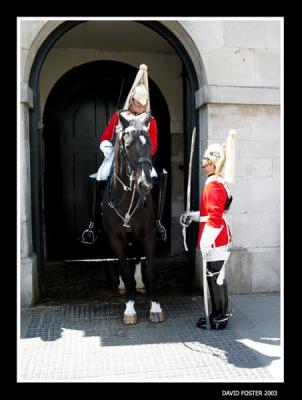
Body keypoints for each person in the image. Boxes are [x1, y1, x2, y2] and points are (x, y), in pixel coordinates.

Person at [81, 64, 167, 244]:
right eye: (138, 103)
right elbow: (105, 137)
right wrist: (107, 149)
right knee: (102, 175)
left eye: (143, 105)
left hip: (141, 158)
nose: (140, 107)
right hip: (119, 155)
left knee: (154, 177)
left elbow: (154, 144)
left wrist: (144, 154)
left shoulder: (151, 121)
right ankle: (92, 223)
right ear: (132, 101)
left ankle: (157, 221)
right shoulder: (119, 116)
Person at [180, 130, 237, 330]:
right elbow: (208, 213)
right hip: (216, 236)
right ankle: (217, 313)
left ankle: (221, 317)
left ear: (214, 163)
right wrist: (193, 216)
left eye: (206, 159)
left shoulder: (214, 185)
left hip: (216, 238)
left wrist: (205, 243)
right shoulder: (214, 182)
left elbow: (214, 218)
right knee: (214, 277)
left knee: (216, 278)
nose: (203, 162)